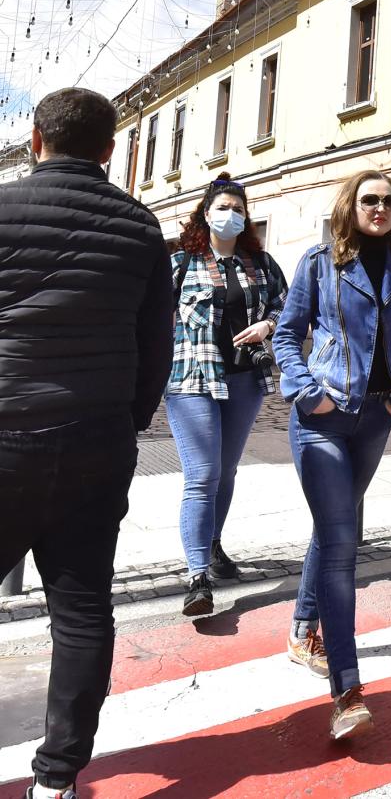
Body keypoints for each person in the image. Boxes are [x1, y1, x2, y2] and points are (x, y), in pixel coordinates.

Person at [0, 88, 173, 799]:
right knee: (80, 608)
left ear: (36, 138)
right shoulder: (140, 227)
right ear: (110, 149)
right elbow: (153, 348)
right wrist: (124, 422)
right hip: (96, 441)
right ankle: (57, 778)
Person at [272, 169, 391, 740]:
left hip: (375, 421)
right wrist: (304, 392)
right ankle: (346, 689)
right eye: (370, 200)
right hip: (322, 420)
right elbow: (287, 334)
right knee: (342, 543)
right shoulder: (319, 264)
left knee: (333, 530)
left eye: (389, 201)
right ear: (350, 206)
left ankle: (301, 630)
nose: (381, 208)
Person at [167, 174, 288, 618]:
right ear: (205, 212)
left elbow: (286, 305)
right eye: (222, 207)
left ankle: (213, 544)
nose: (231, 214)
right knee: (202, 474)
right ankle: (197, 577)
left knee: (227, 469)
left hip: (243, 379)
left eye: (238, 209)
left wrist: (268, 326)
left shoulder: (261, 263)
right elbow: (153, 317)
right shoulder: (181, 263)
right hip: (191, 380)